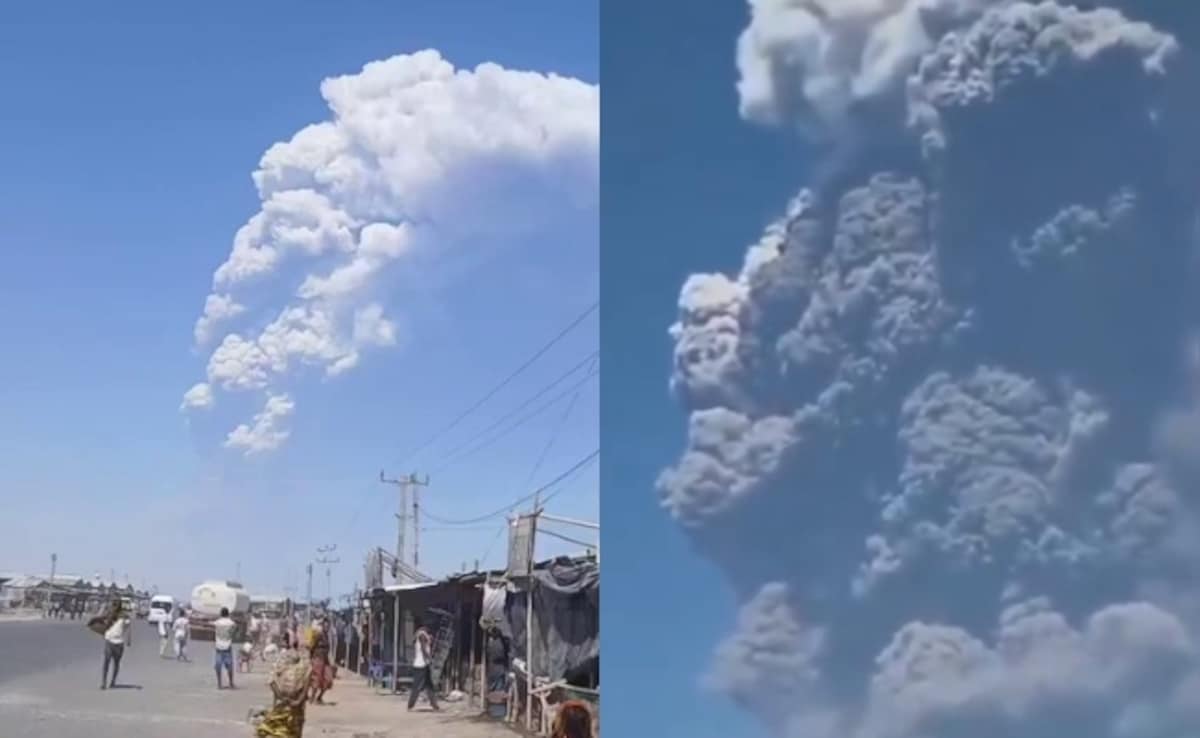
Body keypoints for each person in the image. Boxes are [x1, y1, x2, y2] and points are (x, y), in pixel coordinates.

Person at [254, 648, 311, 738]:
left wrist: (285, 698)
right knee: (287, 730)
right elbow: (272, 681)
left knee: (289, 728)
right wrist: (295, 700)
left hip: (289, 706)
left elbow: (272, 682)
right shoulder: (299, 668)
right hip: (290, 706)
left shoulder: (296, 667)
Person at [100, 599, 132, 690]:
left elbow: (128, 627)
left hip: (119, 643)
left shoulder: (124, 616)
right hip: (109, 641)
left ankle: (113, 681)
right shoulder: (108, 614)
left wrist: (129, 639)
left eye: (116, 605)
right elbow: (100, 618)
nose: (114, 606)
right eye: (113, 604)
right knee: (106, 661)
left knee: (116, 663)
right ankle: (104, 682)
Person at [407, 624, 440, 712]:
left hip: (424, 664)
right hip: (421, 665)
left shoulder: (422, 635)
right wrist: (428, 658)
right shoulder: (421, 634)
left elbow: (426, 645)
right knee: (417, 686)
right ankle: (410, 705)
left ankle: (434, 705)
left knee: (429, 685)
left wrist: (430, 640)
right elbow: (423, 648)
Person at [307, 617, 333, 704]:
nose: (327, 627)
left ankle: (319, 697)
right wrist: (311, 658)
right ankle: (312, 698)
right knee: (316, 679)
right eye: (325, 625)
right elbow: (312, 646)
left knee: (328, 679)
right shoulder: (318, 635)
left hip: (325, 660)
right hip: (317, 658)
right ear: (322, 625)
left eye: (328, 626)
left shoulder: (327, 636)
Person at [213, 607, 237, 689]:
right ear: (228, 614)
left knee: (218, 666)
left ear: (221, 614)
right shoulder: (232, 623)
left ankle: (219, 684)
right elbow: (234, 632)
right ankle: (230, 683)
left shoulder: (217, 622)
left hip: (218, 647)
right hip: (227, 647)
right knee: (229, 666)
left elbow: (213, 625)